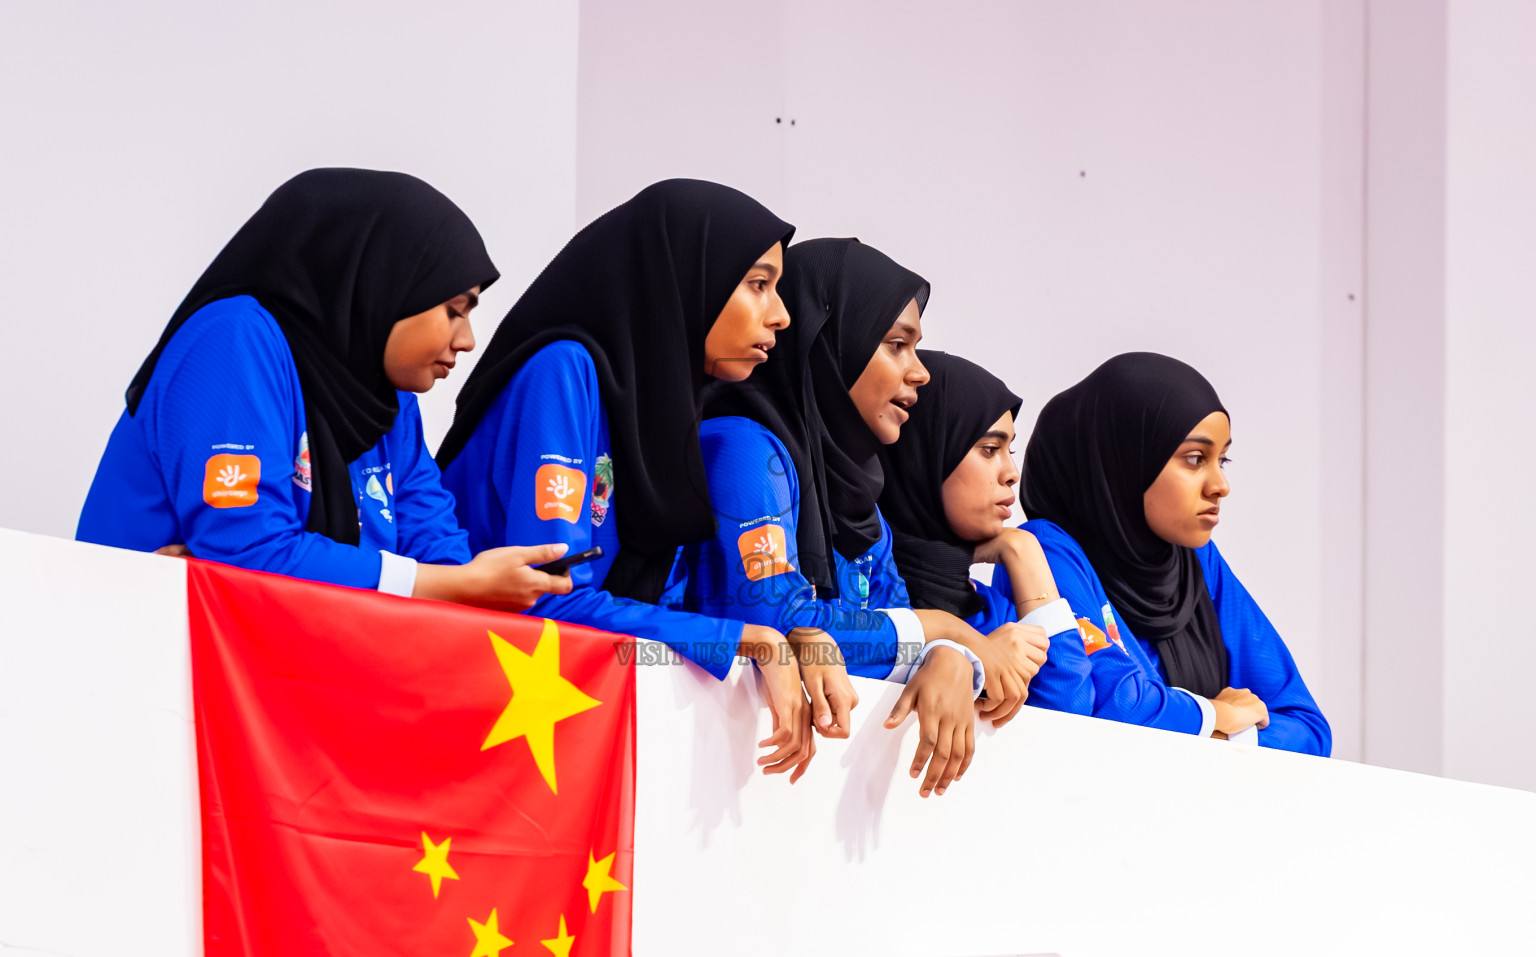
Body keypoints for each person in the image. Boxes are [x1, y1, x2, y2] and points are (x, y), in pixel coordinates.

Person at [436, 179, 821, 780]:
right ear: (684, 278)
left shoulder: (666, 405)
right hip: (468, 706)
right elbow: (548, 595)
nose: (781, 314)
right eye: (758, 284)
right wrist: (743, 638)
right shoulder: (565, 372)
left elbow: (652, 598)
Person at [78, 168, 569, 612]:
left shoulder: (386, 398)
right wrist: (449, 585)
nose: (466, 341)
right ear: (386, 282)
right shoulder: (235, 340)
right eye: (454, 310)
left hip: (285, 662)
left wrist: (464, 582)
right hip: (138, 654)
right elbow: (252, 549)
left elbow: (435, 548)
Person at [685, 238, 1045, 798]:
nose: (919, 373)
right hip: (700, 775)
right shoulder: (743, 447)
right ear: (832, 345)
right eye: (897, 345)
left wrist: (949, 655)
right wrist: (948, 631)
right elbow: (785, 622)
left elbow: (887, 623)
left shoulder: (861, 502)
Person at [1015, 352, 1331, 754]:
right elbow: (1108, 707)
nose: (1220, 485)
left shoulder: (1198, 563)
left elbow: (1308, 728)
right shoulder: (1047, 552)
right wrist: (1215, 716)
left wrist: (1223, 734)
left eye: (1223, 459)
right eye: (1196, 459)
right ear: (1124, 459)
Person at [877, 350, 1087, 715]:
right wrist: (963, 650)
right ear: (926, 455)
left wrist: (1022, 551)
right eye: (989, 449)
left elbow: (1071, 707)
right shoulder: (863, 586)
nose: (1012, 473)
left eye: (1010, 450)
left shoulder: (991, 609)